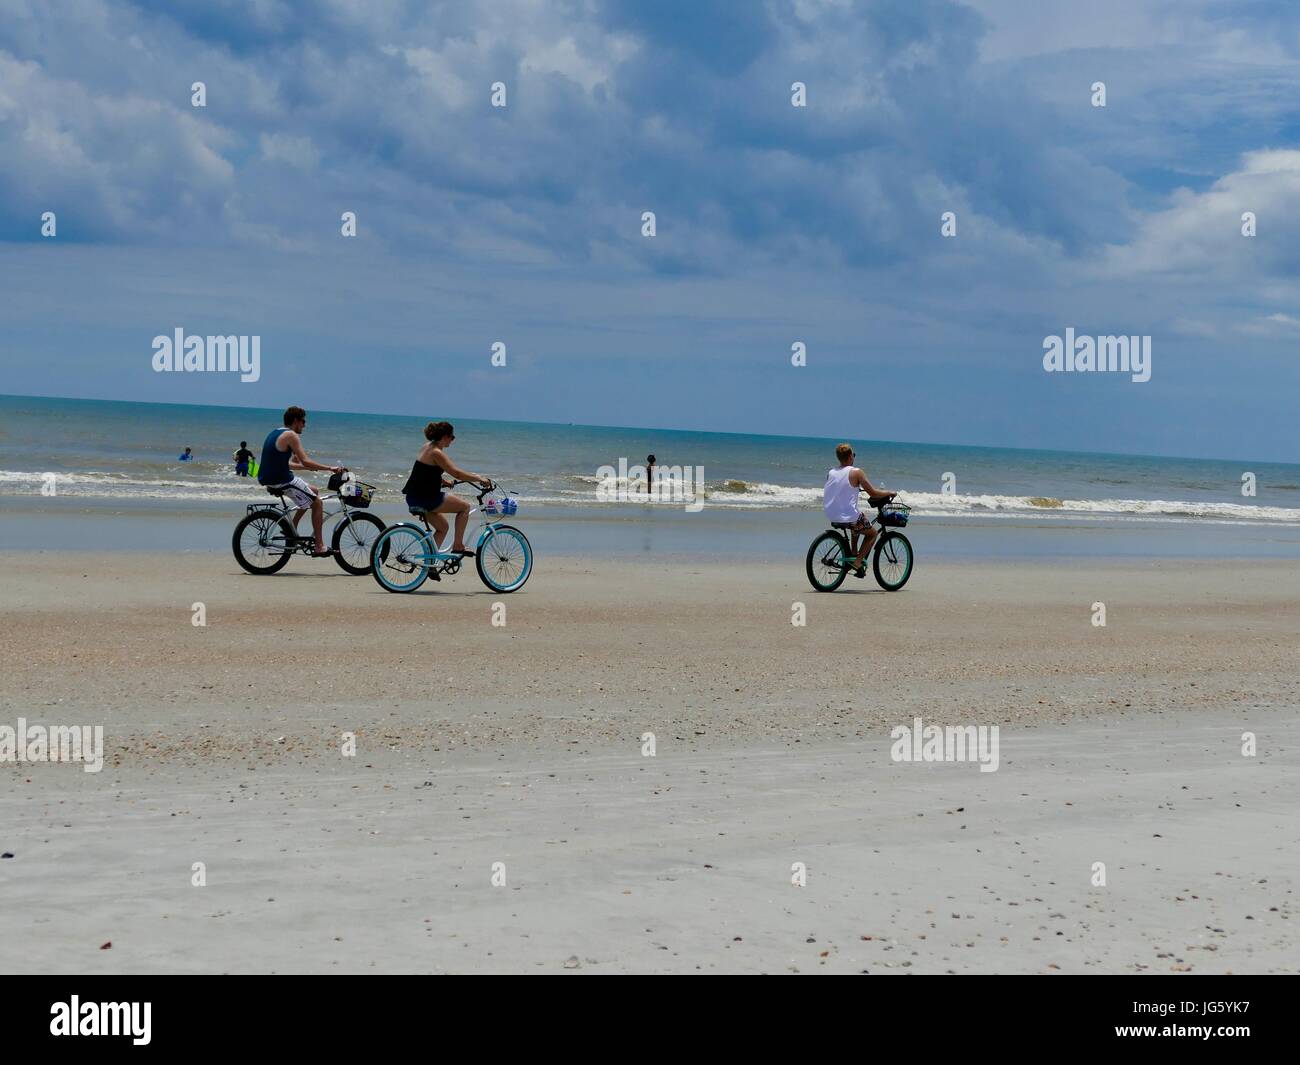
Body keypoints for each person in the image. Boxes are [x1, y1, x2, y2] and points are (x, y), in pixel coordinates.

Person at [257, 406, 344, 557]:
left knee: (313, 492)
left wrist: (307, 468)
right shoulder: (292, 436)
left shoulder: (276, 432)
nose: (305, 425)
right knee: (317, 503)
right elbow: (306, 461)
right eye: (303, 421)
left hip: (270, 478)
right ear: (296, 421)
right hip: (282, 480)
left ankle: (292, 528)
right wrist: (330, 468)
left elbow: (288, 464)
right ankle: (319, 546)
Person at [402, 421, 491, 556]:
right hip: (425, 498)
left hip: (413, 497)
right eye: (452, 437)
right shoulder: (437, 452)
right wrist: (479, 478)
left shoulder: (427, 447)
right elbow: (457, 473)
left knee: (443, 527)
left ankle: (430, 561)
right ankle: (458, 545)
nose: (453, 440)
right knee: (465, 507)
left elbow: (423, 473)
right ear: (445, 437)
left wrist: (443, 482)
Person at [823, 443, 896, 578]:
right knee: (872, 533)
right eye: (854, 455)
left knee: (858, 519)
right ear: (851, 456)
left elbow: (839, 488)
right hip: (848, 517)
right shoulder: (856, 472)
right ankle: (857, 563)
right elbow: (873, 492)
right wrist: (888, 493)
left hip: (831, 513)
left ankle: (854, 552)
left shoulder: (831, 472)